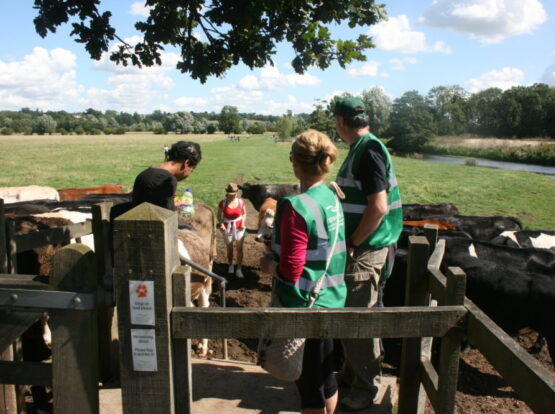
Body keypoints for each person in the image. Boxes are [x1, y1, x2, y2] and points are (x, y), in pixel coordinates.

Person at [260, 129, 347, 414]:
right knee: (326, 376)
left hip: (304, 307)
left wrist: (268, 265)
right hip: (331, 299)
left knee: (310, 389)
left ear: (295, 162)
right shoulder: (332, 196)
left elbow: (290, 271)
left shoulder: (296, 207)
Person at [333, 97, 402, 411]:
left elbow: (379, 206)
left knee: (359, 319)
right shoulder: (363, 148)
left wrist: (353, 242)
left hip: (367, 248)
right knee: (353, 317)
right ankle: (352, 373)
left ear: (341, 122)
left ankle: (365, 388)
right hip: (369, 245)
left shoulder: (369, 150)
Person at [132, 140, 201, 211]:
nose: (189, 174)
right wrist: (174, 207)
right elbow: (167, 216)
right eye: (191, 170)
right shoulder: (166, 179)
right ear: (186, 163)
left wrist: (172, 204)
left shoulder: (147, 172)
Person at [217, 182, 247, 278]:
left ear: (236, 193)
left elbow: (244, 214)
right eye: (230, 195)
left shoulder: (241, 202)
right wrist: (221, 223)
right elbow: (219, 215)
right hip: (227, 227)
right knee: (230, 248)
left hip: (239, 227)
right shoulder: (223, 203)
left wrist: (243, 223)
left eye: (233, 195)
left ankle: (238, 268)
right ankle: (230, 264)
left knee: (239, 248)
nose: (231, 197)